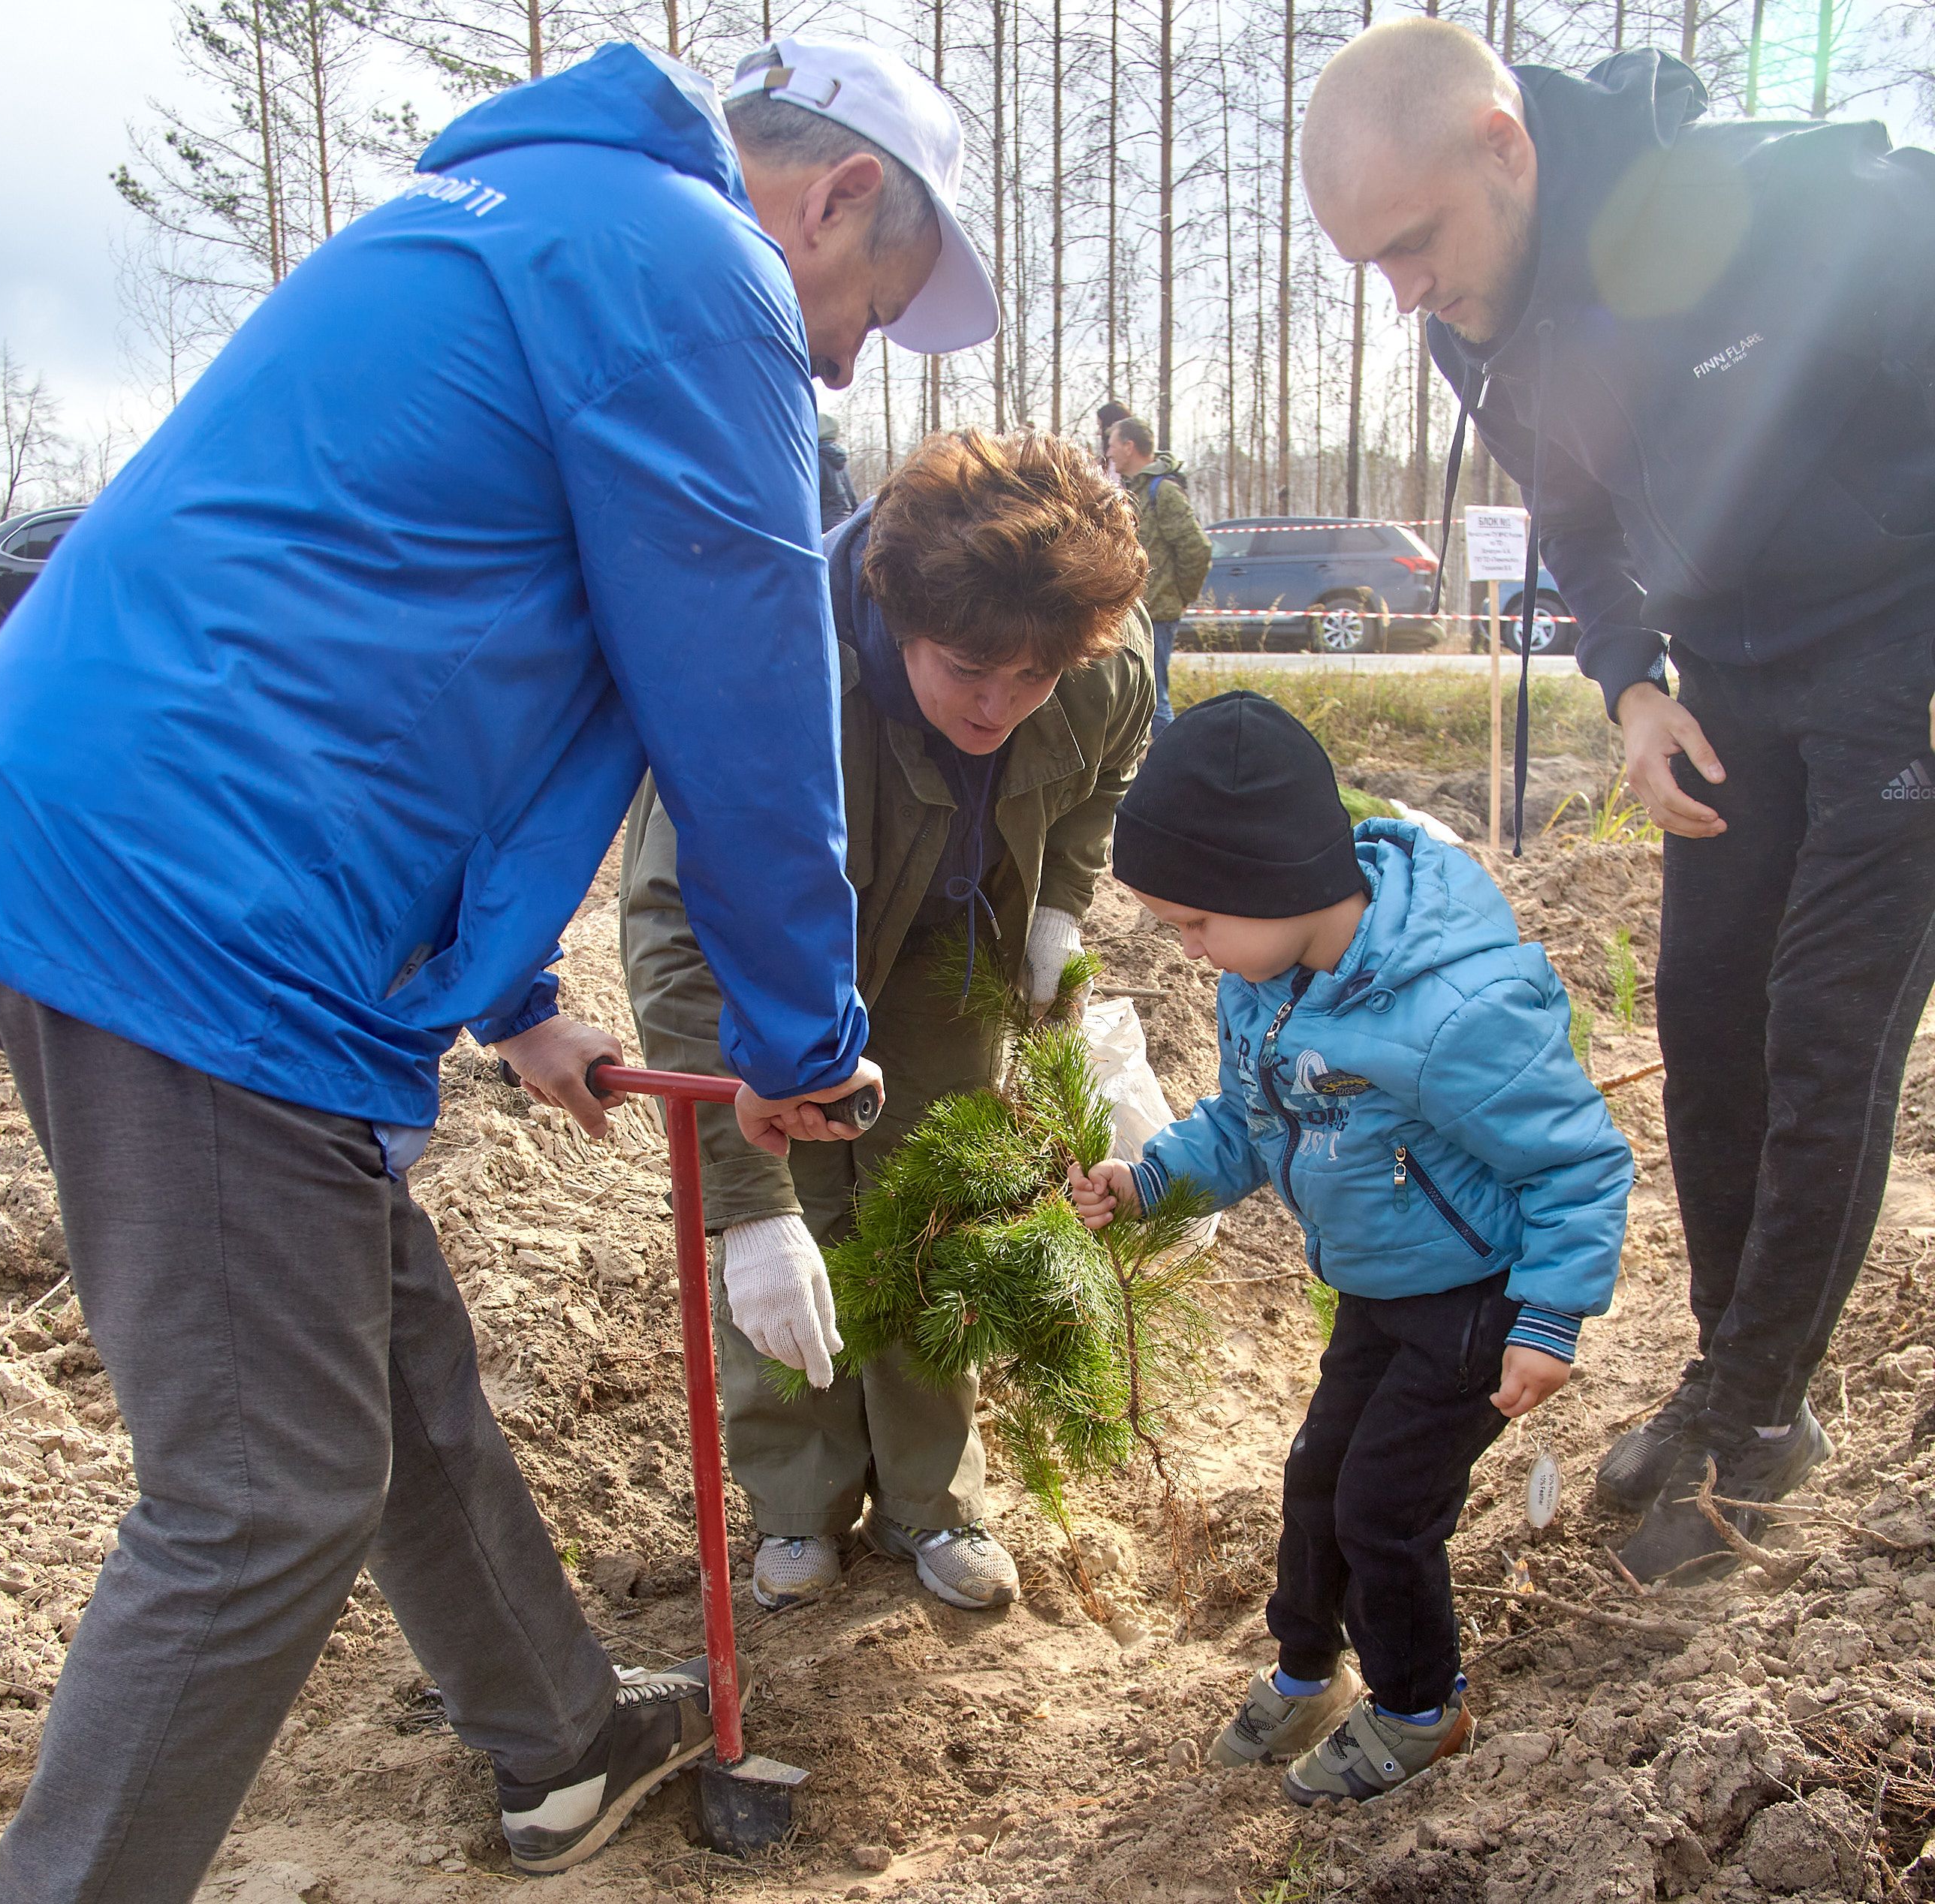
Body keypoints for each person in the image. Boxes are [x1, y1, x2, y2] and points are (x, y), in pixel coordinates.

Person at [0, 32, 998, 1899]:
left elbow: (462, 644)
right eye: (870, 304)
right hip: (203, 891)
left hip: (183, 836)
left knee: (391, 1365)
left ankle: (560, 1733)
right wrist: (800, 1038)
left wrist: (517, 998)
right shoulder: (693, 272)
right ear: (837, 193)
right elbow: (739, 702)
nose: (849, 356)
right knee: (260, 1495)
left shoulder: (542, 214)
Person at [1298, 15, 1935, 1581]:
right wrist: (1632, 680)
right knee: (1709, 1013)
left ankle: (1754, 1418)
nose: (1405, 294)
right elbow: (1572, 512)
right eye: (1370, 265)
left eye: (1413, 243)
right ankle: (1740, 1383)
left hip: (1893, 649)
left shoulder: (1777, 205)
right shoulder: (1480, 314)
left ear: (1502, 147)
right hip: (1726, 675)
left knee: (1822, 1028)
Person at [625, 429, 1153, 1613]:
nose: (1000, 704)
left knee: (935, 1205)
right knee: (802, 1215)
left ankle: (933, 1500)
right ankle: (798, 1502)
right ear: (897, 608)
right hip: (785, 940)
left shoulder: (1097, 663)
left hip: (951, 943)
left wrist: (1057, 908)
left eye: (1034, 681)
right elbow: (674, 926)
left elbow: (1106, 774)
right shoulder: (768, 665)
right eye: (969, 668)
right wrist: (746, 1210)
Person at [1068, 692, 1630, 1803]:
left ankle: (1423, 1707)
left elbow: (1578, 1163)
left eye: (1194, 921)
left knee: (1384, 1508)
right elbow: (1243, 1123)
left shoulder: (1452, 1013)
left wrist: (1552, 1317)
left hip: (1475, 1303)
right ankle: (1305, 1668)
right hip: (1377, 1289)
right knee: (1316, 1478)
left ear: (1270, 883)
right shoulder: (1262, 983)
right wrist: (1150, 1180)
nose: (1190, 950)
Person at [1106, 415, 1211, 736]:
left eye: (1112, 445)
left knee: (1154, 700)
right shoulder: (1129, 492)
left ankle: (1174, 775)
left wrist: (1181, 598)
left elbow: (1197, 548)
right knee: (1133, 699)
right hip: (1131, 612)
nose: (1109, 453)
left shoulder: (1162, 492)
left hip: (1158, 615)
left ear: (1129, 446)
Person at [818, 411, 859, 532]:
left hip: (825, 528)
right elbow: (852, 497)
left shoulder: (817, 459)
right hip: (846, 524)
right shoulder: (840, 459)